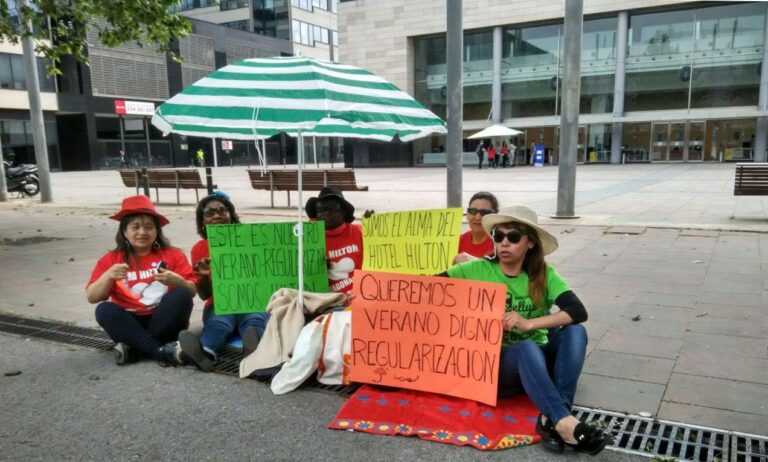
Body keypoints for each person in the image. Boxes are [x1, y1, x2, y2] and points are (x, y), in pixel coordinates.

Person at [444, 205, 613, 456]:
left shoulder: (543, 274)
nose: (504, 243)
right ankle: (564, 421)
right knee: (525, 346)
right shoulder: (475, 270)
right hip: (499, 369)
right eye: (498, 236)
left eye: (513, 237)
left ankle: (554, 419)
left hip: (539, 361)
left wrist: (529, 323)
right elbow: (425, 290)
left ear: (530, 243)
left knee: (575, 331)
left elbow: (578, 311)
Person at [87, 195, 196, 366]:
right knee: (104, 310)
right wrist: (108, 276)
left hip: (163, 320)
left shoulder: (173, 255)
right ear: (124, 231)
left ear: (156, 231)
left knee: (182, 294)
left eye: (148, 227)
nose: (142, 232)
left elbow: (192, 291)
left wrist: (178, 280)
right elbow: (92, 297)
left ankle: (135, 349)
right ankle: (162, 351)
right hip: (129, 323)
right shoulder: (111, 259)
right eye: (135, 227)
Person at [177, 192, 270, 372]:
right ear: (202, 221)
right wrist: (204, 276)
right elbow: (204, 295)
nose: (217, 215)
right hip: (219, 304)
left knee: (254, 320)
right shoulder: (200, 248)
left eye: (222, 211)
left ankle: (253, 350)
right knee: (218, 323)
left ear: (231, 216)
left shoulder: (252, 240)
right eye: (209, 213)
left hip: (252, 300)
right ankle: (204, 353)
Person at [305, 186, 363, 296]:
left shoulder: (358, 232)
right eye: (320, 208)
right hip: (324, 301)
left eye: (332, 207)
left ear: (343, 212)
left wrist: (373, 225)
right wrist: (314, 265)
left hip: (357, 298)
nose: (326, 213)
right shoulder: (308, 236)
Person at [453, 191, 498, 264]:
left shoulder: (501, 244)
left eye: (485, 212)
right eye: (473, 211)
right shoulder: (457, 241)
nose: (477, 217)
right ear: (467, 214)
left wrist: (474, 264)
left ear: (495, 216)